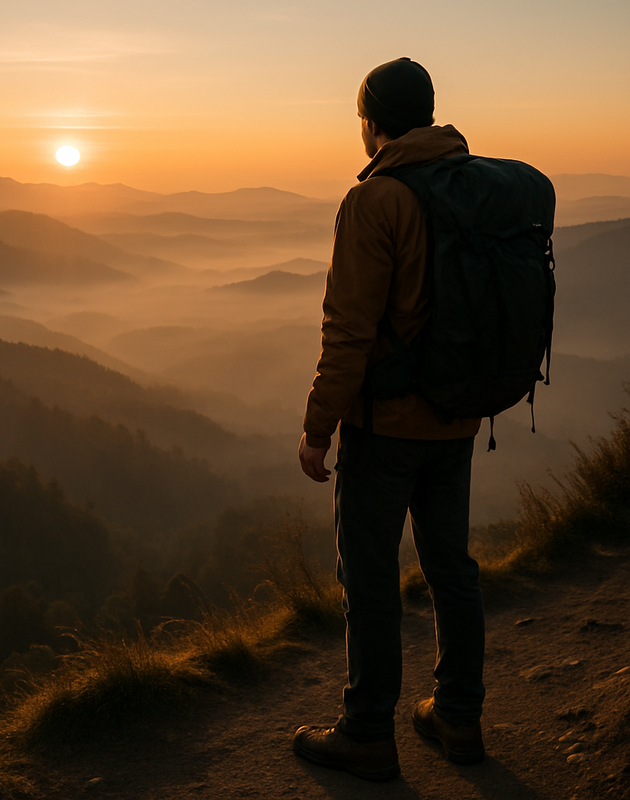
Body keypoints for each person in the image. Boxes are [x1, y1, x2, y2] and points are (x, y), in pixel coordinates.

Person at [294, 57, 486, 781]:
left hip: (388, 426)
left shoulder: (375, 200)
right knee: (451, 568)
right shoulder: (466, 183)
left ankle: (368, 732)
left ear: (373, 121)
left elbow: (348, 330)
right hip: (458, 415)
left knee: (370, 577)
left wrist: (319, 427)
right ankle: (459, 719)